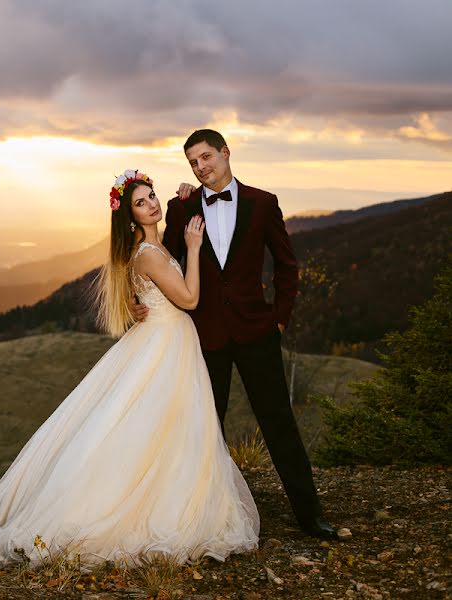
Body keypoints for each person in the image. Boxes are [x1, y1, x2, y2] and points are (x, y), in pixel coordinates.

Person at [0, 170, 260, 568]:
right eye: (141, 203)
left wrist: (186, 195)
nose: (152, 205)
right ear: (130, 218)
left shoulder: (151, 251)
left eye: (151, 196)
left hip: (166, 341)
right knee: (160, 427)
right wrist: (194, 248)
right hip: (168, 344)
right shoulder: (148, 255)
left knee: (164, 428)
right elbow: (191, 299)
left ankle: (165, 493)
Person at [132, 129, 337, 539]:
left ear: (226, 153)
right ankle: (204, 519)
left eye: (206, 157)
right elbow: (163, 262)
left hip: (256, 331)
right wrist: (139, 302)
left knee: (279, 421)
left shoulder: (263, 203)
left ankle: (311, 516)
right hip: (204, 337)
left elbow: (286, 265)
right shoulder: (182, 205)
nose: (201, 167)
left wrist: (279, 317)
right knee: (206, 426)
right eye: (193, 162)